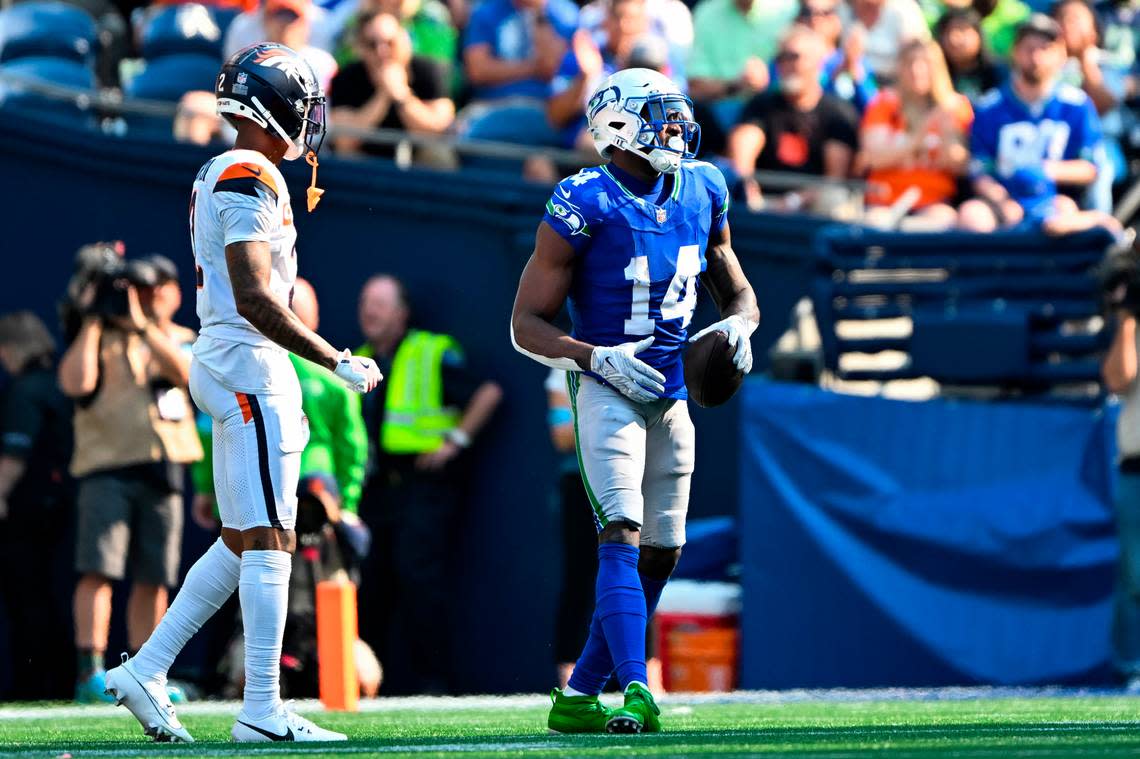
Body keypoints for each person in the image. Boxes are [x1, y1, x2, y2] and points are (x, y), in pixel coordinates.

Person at [103, 42, 381, 744]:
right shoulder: (248, 174)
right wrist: (332, 358)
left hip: (232, 360)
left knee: (243, 539)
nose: (309, 120)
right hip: (247, 364)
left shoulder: (227, 169)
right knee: (271, 540)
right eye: (302, 105)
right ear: (274, 105)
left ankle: (149, 667)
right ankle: (262, 705)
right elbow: (257, 296)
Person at [510, 68, 759, 733]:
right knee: (619, 530)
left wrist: (741, 327)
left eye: (677, 114)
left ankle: (580, 693)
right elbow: (525, 323)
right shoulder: (583, 199)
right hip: (608, 387)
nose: (675, 127)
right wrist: (596, 357)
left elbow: (735, 286)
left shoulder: (705, 186)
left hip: (673, 392)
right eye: (659, 114)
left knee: (663, 549)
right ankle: (638, 687)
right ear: (617, 125)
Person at [58, 250, 203, 704]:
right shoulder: (98, 337)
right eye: (139, 291)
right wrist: (95, 318)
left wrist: (144, 326)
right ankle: (91, 671)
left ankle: (149, 670)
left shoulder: (182, 337)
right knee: (98, 566)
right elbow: (75, 384)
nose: (145, 298)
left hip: (165, 467)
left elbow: (186, 376)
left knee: (154, 574)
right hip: (107, 466)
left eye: (154, 290)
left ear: (174, 294)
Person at [354, 274, 502, 694]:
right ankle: (365, 684)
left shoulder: (430, 351)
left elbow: (487, 392)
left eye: (379, 303)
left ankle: (432, 683)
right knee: (371, 584)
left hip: (422, 486)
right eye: (365, 302)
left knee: (420, 581)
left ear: (401, 313)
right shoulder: (358, 361)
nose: (369, 311)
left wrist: (454, 441)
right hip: (372, 491)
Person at [958, 14, 1124, 235]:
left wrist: (1044, 171)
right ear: (1015, 52)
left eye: (1045, 48)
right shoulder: (990, 107)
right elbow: (980, 169)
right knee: (972, 216)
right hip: (1001, 201)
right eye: (1029, 48)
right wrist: (1004, 202)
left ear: (1060, 54)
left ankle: (1097, 228)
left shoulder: (1076, 105)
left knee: (1063, 216)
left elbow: (1090, 166)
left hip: (1056, 200)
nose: (1036, 56)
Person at [0, 312, 75, 701]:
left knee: (27, 598)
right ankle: (61, 682)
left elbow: (15, 453)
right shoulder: (59, 384)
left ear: (10, 349)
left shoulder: (24, 390)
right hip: (63, 506)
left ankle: (31, 686)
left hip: (27, 510)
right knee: (52, 596)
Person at [727, 25, 860, 211]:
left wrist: (793, 201)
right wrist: (747, 189)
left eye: (794, 57)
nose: (786, 65)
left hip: (813, 208)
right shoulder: (762, 105)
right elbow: (743, 149)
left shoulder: (838, 113)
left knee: (834, 199)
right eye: (781, 58)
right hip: (762, 201)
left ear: (817, 63)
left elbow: (834, 179)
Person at [859, 39, 973, 229]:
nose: (916, 70)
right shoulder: (884, 103)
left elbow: (959, 166)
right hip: (885, 200)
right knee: (875, 224)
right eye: (910, 62)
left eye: (925, 63)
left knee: (945, 221)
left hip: (934, 201)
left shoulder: (955, 106)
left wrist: (947, 133)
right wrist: (920, 134)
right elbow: (875, 157)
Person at [329, 10, 454, 160]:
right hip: (367, 159)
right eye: (372, 44)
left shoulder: (428, 71)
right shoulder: (347, 77)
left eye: (390, 42)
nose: (382, 51)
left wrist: (401, 95)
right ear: (361, 49)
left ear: (405, 41)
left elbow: (439, 131)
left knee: (439, 155)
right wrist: (383, 95)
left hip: (418, 159)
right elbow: (344, 142)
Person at [545, 368, 598, 688]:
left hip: (629, 478)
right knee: (579, 577)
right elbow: (563, 435)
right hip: (579, 482)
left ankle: (646, 678)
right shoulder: (563, 366)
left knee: (641, 572)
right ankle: (571, 683)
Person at [1103, 259, 1140, 692]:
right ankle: (1131, 670)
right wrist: (1128, 317)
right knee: (1135, 577)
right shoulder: (1133, 325)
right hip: (1137, 466)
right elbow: (1118, 378)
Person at [686, 0, 798, 105]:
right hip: (724, 109)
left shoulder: (789, 9)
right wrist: (736, 86)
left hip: (781, 106)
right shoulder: (707, 13)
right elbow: (695, 86)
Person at [775, 0, 877, 112]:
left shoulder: (856, 62)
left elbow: (874, 109)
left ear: (838, 21)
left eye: (826, 13)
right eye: (807, 12)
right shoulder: (786, 58)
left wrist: (853, 71)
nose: (815, 19)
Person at [843, 0, 930, 85]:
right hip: (859, 83)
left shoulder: (904, 9)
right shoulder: (846, 9)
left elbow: (919, 53)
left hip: (897, 83)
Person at [936, 7, 1004, 102]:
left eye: (962, 30)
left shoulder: (1000, 71)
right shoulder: (935, 77)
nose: (954, 38)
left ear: (979, 35)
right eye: (948, 32)